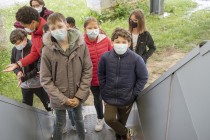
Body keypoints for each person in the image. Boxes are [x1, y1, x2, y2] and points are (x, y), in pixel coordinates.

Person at [40, 12, 92, 140]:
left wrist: (79, 96)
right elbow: (45, 79)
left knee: (79, 120)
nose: (57, 30)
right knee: (59, 123)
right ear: (49, 31)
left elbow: (87, 70)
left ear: (67, 26)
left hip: (77, 94)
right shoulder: (47, 50)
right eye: (53, 28)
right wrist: (63, 99)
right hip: (58, 98)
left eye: (60, 26)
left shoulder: (81, 45)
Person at [98, 28, 148, 140]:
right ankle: (126, 132)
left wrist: (133, 93)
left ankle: (121, 136)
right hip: (110, 97)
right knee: (109, 119)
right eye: (117, 42)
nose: (120, 44)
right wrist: (104, 89)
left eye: (124, 42)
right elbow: (101, 74)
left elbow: (143, 78)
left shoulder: (136, 59)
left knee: (121, 121)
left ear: (129, 43)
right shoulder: (105, 57)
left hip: (126, 98)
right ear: (112, 42)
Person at [10, 28, 51, 111]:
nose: (17, 46)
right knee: (26, 106)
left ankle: (55, 118)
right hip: (24, 85)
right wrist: (18, 72)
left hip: (38, 84)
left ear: (24, 39)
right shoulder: (15, 50)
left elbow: (38, 68)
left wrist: (24, 77)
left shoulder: (34, 47)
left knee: (48, 104)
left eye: (18, 43)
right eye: (14, 44)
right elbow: (13, 63)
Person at [84, 17, 112, 131]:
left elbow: (113, 55)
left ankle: (111, 118)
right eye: (89, 28)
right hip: (92, 78)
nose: (93, 30)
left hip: (107, 77)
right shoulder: (81, 42)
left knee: (109, 98)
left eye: (95, 27)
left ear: (99, 27)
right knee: (97, 98)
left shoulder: (105, 40)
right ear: (84, 29)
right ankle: (100, 118)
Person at [4, 6, 45, 72]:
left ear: (33, 22)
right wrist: (17, 64)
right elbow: (34, 53)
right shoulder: (34, 32)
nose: (25, 29)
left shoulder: (48, 32)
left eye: (25, 26)